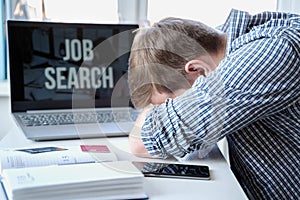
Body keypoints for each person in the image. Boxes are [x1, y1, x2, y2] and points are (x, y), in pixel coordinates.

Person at [127, 9, 300, 200]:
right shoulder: (224, 47)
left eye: (169, 104)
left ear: (196, 69)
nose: (168, 111)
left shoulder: (271, 52)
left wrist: (164, 116)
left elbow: (142, 142)